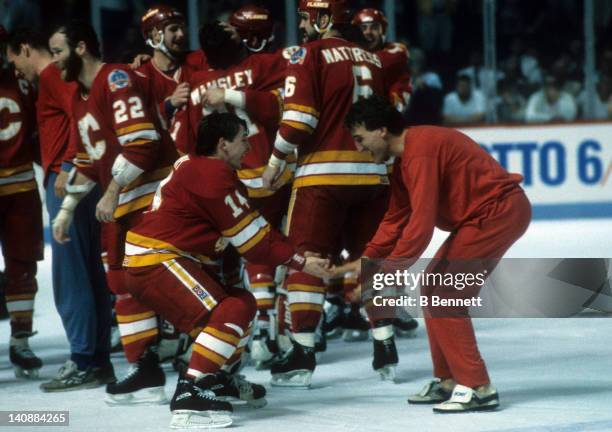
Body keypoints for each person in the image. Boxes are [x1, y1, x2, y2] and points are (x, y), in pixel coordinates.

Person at [123, 111, 332, 428]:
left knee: (242, 302)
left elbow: (250, 233)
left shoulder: (205, 170)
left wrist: (293, 258)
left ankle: (216, 378)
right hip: (157, 260)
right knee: (233, 308)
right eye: (243, 140)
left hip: (168, 260)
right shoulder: (211, 175)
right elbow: (253, 243)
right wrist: (302, 262)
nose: (249, 147)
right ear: (223, 145)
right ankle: (190, 389)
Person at [340, 95, 531, 413]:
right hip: (485, 216)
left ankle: (477, 386)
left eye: (360, 138)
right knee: (434, 288)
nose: (359, 147)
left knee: (444, 292)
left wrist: (386, 275)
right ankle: (448, 380)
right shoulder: (403, 163)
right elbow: (394, 220)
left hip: (498, 213)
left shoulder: (421, 150)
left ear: (382, 130)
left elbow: (421, 226)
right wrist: (366, 265)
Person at [261, 0, 390, 387]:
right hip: (372, 176)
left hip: (323, 177)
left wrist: (275, 161)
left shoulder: (308, 54)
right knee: (372, 261)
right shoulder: (374, 59)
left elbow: (300, 119)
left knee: (308, 261)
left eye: (304, 17)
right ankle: (385, 342)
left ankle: (301, 352)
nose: (301, 25)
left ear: (322, 17)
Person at [49, 20, 178, 402]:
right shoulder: (79, 96)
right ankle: (145, 368)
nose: (54, 62)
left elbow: (142, 144)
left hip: (152, 195)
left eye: (58, 52)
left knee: (171, 281)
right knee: (121, 284)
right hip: (124, 200)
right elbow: (90, 160)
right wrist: (66, 211)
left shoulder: (117, 79)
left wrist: (113, 192)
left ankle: (214, 364)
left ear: (82, 47)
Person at [5, 28, 114, 391]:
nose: (15, 70)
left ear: (25, 48)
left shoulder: (53, 75)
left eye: (15, 60)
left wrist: (68, 165)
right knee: (89, 272)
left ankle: (84, 359)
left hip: (68, 180)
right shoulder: (54, 77)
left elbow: (81, 115)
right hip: (82, 175)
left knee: (71, 275)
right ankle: (96, 360)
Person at [0, 24, 43, 379]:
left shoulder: (25, 82)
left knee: (22, 265)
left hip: (20, 188)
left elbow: (40, 131)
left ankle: (21, 339)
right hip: (19, 187)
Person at [352, 7, 413, 112]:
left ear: (383, 31)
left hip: (381, 118)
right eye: (363, 28)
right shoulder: (346, 51)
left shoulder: (394, 53)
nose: (368, 32)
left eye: (374, 27)